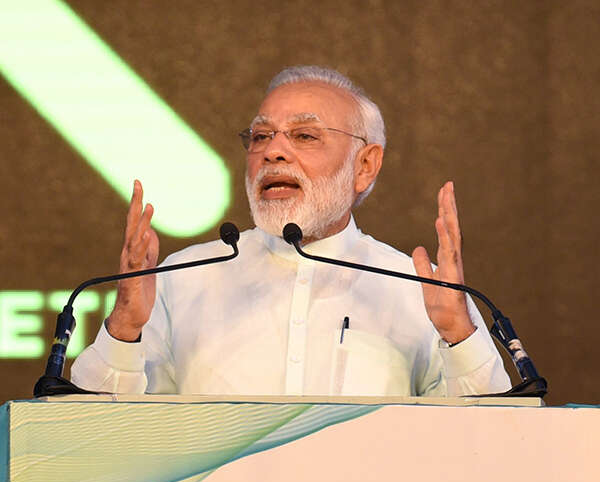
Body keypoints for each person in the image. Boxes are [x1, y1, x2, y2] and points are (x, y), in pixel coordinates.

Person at [71, 65, 511, 397]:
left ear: (365, 165)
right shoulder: (183, 278)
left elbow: (490, 442)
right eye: (261, 136)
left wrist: (459, 334)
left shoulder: (417, 289)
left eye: (304, 136)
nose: (273, 152)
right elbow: (92, 434)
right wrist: (124, 327)